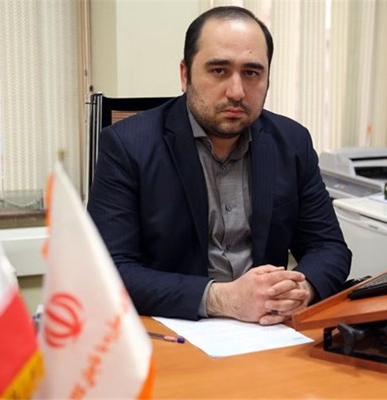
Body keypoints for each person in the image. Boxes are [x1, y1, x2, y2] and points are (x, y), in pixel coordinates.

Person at [87, 6, 351, 325]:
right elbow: (109, 269)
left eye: (251, 73)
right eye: (218, 70)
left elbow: (329, 247)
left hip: (269, 329)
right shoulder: (127, 145)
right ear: (185, 75)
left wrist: (299, 290)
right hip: (177, 329)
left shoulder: (292, 142)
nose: (236, 92)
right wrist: (223, 299)